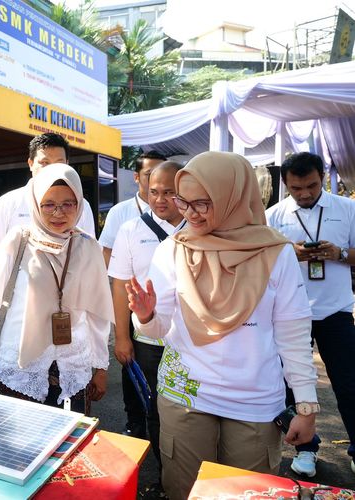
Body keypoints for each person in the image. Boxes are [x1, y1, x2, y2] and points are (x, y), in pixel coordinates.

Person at [127, 152, 318, 500]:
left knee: (247, 493)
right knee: (185, 492)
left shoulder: (276, 253)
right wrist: (146, 316)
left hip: (255, 401)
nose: (190, 213)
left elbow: (293, 335)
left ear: (234, 196)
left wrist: (306, 406)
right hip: (185, 397)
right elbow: (157, 332)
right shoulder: (172, 250)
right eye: (183, 201)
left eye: (203, 203)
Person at [0, 164, 114, 415]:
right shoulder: (18, 240)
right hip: (21, 365)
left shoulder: (88, 247)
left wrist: (101, 368)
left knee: (68, 445)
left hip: (72, 363)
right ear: (35, 204)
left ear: (79, 204)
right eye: (48, 204)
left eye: (68, 204)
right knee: (19, 445)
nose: (58, 213)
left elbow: (97, 312)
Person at [266, 152, 355, 477]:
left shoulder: (347, 209)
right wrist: (292, 254)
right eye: (296, 188)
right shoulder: (273, 216)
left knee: (348, 383)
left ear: (323, 178)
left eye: (312, 186)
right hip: (289, 313)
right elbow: (262, 263)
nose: (304, 194)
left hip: (336, 311)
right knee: (290, 385)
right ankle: (305, 449)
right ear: (286, 184)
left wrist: (339, 253)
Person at [107, 161, 184, 473]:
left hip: (191, 341)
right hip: (148, 340)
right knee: (154, 407)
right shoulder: (130, 229)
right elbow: (119, 286)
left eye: (169, 192)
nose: (160, 199)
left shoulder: (199, 227)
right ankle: (166, 473)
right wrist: (122, 338)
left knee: (189, 409)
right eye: (154, 192)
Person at [99, 149, 167, 439]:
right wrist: (121, 329)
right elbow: (109, 260)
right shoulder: (121, 213)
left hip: (171, 317)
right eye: (150, 174)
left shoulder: (186, 214)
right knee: (132, 370)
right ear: (138, 177)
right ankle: (135, 424)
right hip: (131, 305)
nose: (157, 180)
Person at [0, 133, 96, 268]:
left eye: (59, 163)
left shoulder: (82, 205)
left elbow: (88, 251)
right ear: (30, 164)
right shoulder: (7, 203)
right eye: (44, 163)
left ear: (67, 164)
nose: (52, 169)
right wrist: (22, 282)